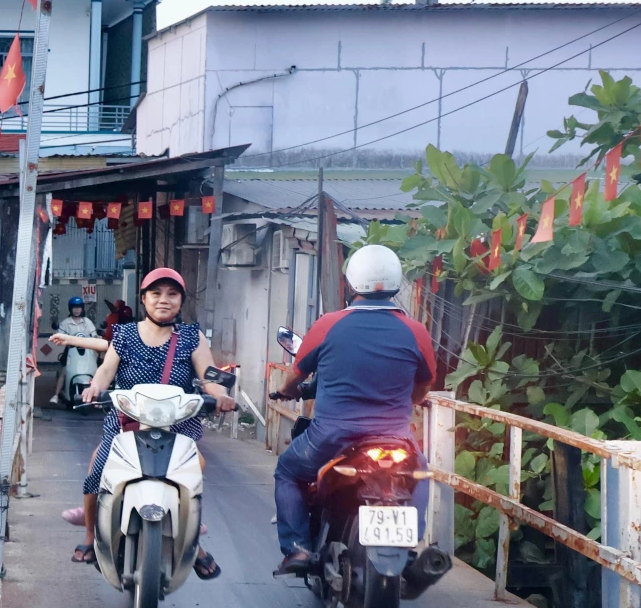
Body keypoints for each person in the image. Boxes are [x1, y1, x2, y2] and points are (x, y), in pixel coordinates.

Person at [269, 244, 437, 576]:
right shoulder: (415, 331)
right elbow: (422, 388)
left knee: (288, 473)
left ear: (351, 283)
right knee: (419, 475)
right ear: (395, 283)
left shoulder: (329, 324)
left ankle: (298, 549)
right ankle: (410, 544)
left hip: (332, 436)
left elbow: (297, 375)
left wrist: (286, 392)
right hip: (396, 438)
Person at [51, 267, 234, 569]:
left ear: (181, 300)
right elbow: (106, 370)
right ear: (144, 299)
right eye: (156, 293)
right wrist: (95, 387)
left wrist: (221, 395)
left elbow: (208, 374)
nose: (164, 300)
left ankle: (190, 537)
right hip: (126, 422)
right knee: (99, 468)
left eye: (172, 294)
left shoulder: (192, 336)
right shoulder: (124, 334)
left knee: (194, 469)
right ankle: (89, 534)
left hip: (177, 424)